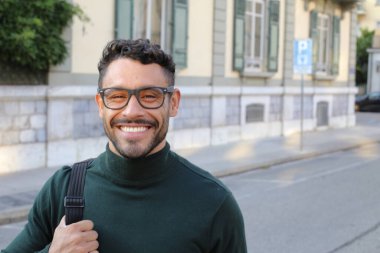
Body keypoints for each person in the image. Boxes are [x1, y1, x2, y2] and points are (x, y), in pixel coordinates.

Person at [2, 39, 247, 253]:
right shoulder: (62, 189)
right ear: (100, 104)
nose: (132, 111)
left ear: (173, 103)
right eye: (117, 96)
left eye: (150, 96)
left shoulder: (214, 203)